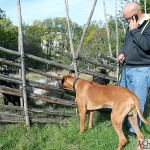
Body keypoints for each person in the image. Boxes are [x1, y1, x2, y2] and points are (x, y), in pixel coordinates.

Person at [118, 2, 150, 136]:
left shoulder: (148, 25)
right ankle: (122, 123)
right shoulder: (130, 26)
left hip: (141, 70)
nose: (126, 21)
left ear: (135, 15)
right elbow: (127, 43)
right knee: (122, 98)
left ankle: (133, 131)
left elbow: (146, 45)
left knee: (137, 101)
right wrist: (122, 53)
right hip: (127, 68)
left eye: (127, 19)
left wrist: (135, 29)